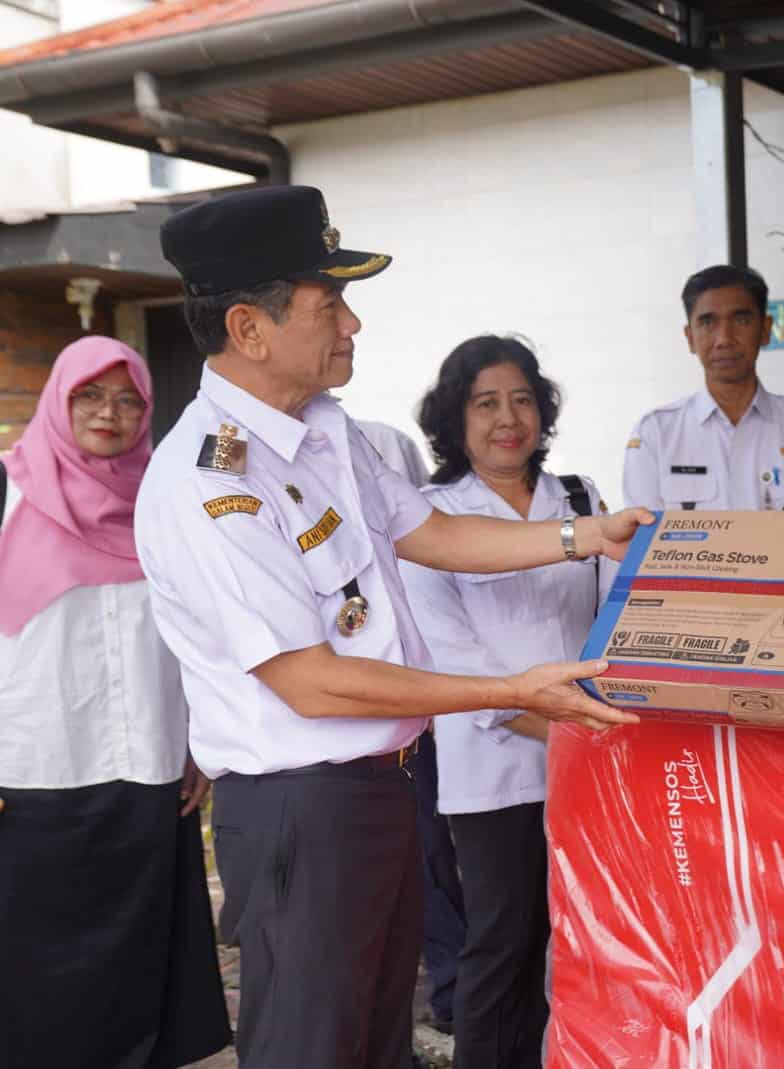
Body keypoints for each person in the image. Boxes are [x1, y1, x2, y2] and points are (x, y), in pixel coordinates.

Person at [132, 185, 646, 1069]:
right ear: (250, 329)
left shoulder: (323, 430)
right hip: (302, 808)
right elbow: (312, 681)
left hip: (376, 789)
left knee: (375, 1044)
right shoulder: (209, 480)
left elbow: (431, 532)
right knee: (311, 1048)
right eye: (328, 305)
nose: (353, 324)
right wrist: (512, 690)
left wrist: (581, 535)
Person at [0, 336, 231, 1069]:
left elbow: (198, 632)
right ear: (58, 401)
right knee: (34, 973)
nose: (110, 412)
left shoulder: (162, 502)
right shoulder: (7, 493)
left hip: (148, 766)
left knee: (138, 966)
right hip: (32, 772)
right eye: (91, 396)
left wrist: (198, 740)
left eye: (129, 399)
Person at [400, 334, 616, 1069]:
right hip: (493, 769)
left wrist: (596, 730)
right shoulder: (430, 517)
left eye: (522, 399)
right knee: (504, 941)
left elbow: (614, 618)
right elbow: (453, 657)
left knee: (585, 939)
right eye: (485, 403)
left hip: (591, 761)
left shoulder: (580, 501)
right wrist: (567, 727)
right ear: (454, 418)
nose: (507, 418)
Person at [354, 415, 469, 1037]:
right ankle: (441, 991)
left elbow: (430, 538)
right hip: (350, 715)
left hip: (423, 707)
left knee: (437, 852)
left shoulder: (378, 444)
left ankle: (451, 987)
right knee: (416, 857)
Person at [623, 265, 784, 511]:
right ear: (690, 337)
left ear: (765, 330)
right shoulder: (656, 434)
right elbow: (645, 532)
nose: (724, 338)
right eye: (707, 322)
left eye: (741, 320)